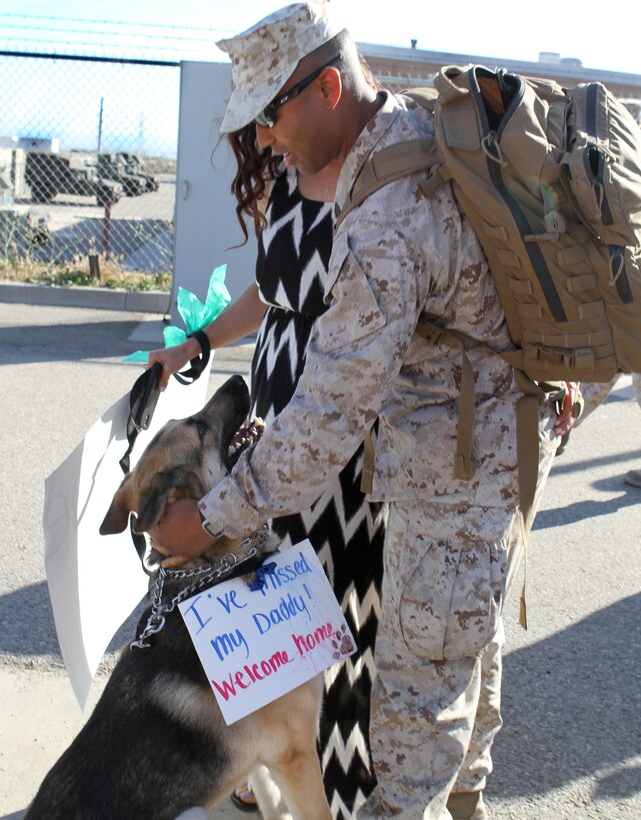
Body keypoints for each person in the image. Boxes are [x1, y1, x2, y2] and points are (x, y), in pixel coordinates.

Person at [148, 3, 577, 818]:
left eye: (272, 113)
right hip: (466, 450)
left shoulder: (389, 207)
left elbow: (329, 413)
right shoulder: (406, 136)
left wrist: (208, 519)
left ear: (329, 89)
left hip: (451, 473)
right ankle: (449, 798)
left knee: (412, 719)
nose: (264, 137)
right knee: (461, 657)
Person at [148, 123, 385, 816]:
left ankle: (338, 785)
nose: (266, 134)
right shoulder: (288, 176)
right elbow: (270, 289)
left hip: (342, 435)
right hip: (270, 424)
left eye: (274, 110)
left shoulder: (378, 180)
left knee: (338, 618)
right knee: (267, 602)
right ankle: (264, 759)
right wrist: (197, 342)